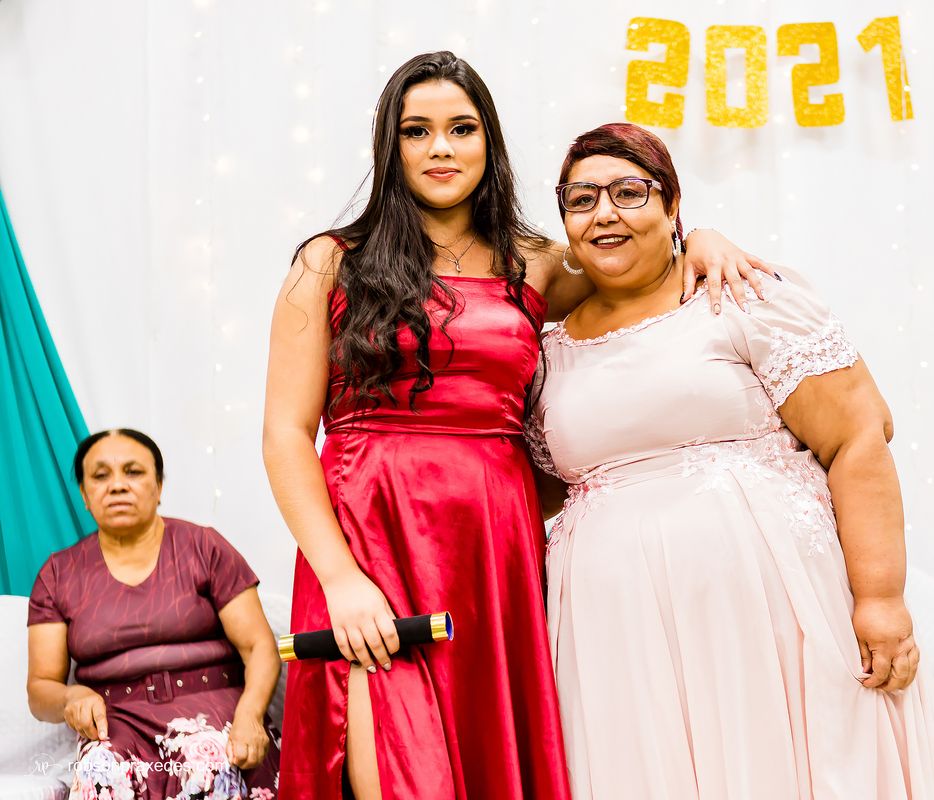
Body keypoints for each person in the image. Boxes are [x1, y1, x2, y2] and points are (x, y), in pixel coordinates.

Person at [261, 51, 762, 800]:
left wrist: (702, 238)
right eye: (417, 131)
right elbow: (284, 434)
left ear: (488, 141)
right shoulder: (330, 262)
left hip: (495, 548)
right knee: (396, 769)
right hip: (369, 541)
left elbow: (638, 265)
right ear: (390, 146)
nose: (440, 148)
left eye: (461, 129)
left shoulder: (535, 262)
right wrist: (340, 579)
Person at [526, 122, 934, 800]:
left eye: (629, 192)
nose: (604, 212)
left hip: (769, 618)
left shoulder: (742, 293)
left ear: (673, 204)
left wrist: (881, 598)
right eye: (582, 200)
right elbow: (540, 489)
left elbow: (857, 437)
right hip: (619, 638)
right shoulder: (545, 353)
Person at [26, 429, 281, 800]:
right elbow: (40, 687)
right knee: (100, 773)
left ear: (159, 486)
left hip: (214, 709)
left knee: (207, 763)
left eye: (133, 472)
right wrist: (70, 698)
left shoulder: (205, 546)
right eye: (100, 475)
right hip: (115, 723)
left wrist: (251, 716)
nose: (117, 485)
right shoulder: (57, 574)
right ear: (83, 494)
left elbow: (260, 648)